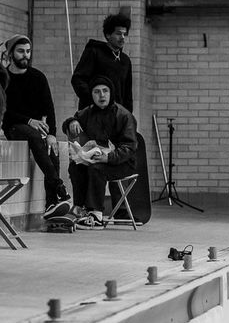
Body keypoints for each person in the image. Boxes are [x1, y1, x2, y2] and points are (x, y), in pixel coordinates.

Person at [1, 35, 71, 218]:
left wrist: (52, 134)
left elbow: (49, 108)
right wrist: (28, 121)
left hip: (35, 129)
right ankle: (59, 186)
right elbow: (5, 111)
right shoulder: (3, 77)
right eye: (20, 51)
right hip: (13, 127)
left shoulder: (38, 77)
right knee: (33, 135)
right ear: (10, 54)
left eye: (28, 51)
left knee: (52, 149)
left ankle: (51, 204)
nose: (25, 55)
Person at [62, 75, 138, 229]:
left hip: (123, 162)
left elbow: (129, 147)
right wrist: (71, 122)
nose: (101, 95)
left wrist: (108, 157)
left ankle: (96, 213)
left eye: (105, 91)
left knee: (97, 169)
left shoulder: (123, 115)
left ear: (111, 93)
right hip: (96, 158)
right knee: (76, 167)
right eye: (96, 92)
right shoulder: (87, 113)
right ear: (91, 95)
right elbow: (69, 123)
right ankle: (80, 208)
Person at [71, 13, 133, 111]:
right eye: (118, 34)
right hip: (93, 113)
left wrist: (127, 115)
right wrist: (93, 101)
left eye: (124, 34)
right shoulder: (94, 52)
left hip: (116, 114)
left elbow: (127, 94)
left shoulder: (125, 60)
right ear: (108, 35)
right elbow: (78, 79)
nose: (122, 37)